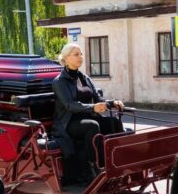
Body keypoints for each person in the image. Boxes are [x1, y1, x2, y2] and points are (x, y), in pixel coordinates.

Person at [51, 42, 124, 184]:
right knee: (92, 125)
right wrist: (93, 108)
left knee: (113, 122)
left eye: (81, 54)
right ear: (66, 58)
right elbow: (69, 105)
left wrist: (112, 103)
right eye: (76, 54)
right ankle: (92, 167)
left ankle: (117, 160)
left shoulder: (84, 78)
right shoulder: (59, 82)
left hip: (88, 116)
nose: (80, 57)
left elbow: (98, 98)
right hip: (69, 122)